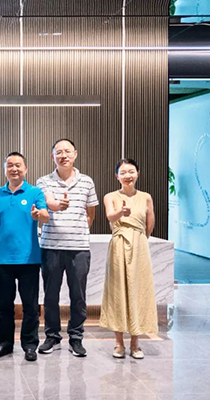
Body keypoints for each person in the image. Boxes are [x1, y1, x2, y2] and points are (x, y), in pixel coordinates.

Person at [36, 138, 98, 357]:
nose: (63, 155)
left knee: (78, 296)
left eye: (67, 151)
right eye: (59, 152)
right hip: (50, 247)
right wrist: (58, 206)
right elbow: (49, 202)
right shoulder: (44, 181)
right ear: (52, 156)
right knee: (50, 296)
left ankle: (76, 337)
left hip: (78, 248)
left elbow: (90, 214)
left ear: (75, 154)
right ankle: (52, 336)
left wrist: (77, 232)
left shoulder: (87, 182)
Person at [0, 152, 49, 362]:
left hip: (29, 259)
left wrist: (39, 215)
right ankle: (5, 344)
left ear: (25, 169)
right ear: (5, 169)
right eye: (10, 165)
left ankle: (30, 345)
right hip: (2, 259)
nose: (14, 169)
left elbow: (46, 215)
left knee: (30, 307)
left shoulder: (35, 192)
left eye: (18, 165)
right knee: (4, 306)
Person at [100, 158, 157, 359]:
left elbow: (149, 224)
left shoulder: (146, 197)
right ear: (117, 176)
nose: (127, 175)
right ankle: (118, 343)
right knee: (118, 292)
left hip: (139, 246)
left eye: (131, 171)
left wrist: (139, 239)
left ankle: (135, 343)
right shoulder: (110, 196)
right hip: (118, 244)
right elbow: (110, 217)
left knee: (138, 291)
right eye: (123, 172)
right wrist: (121, 212)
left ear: (138, 173)